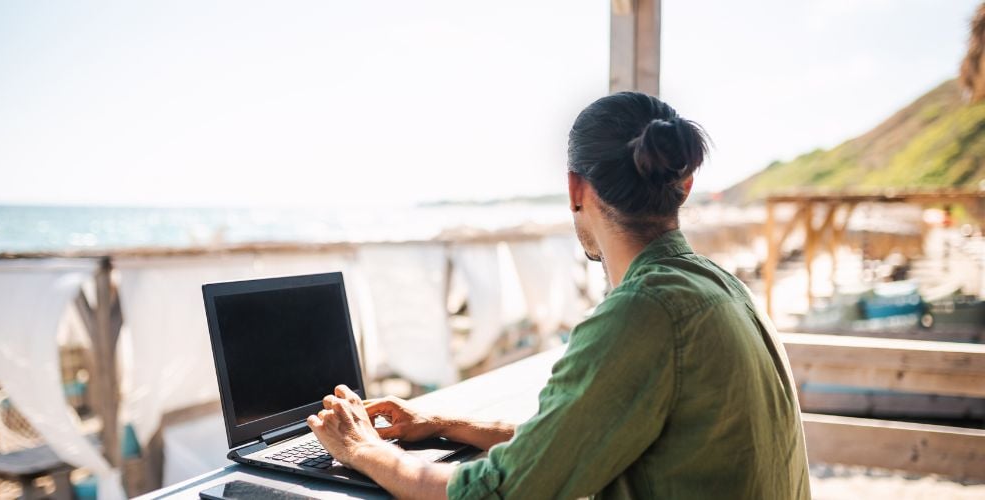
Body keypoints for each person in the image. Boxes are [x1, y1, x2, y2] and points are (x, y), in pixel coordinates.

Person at [307, 92, 811, 499]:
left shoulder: (643, 313)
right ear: (685, 184)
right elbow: (572, 439)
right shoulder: (722, 288)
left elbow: (497, 494)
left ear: (575, 188)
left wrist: (361, 448)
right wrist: (442, 422)